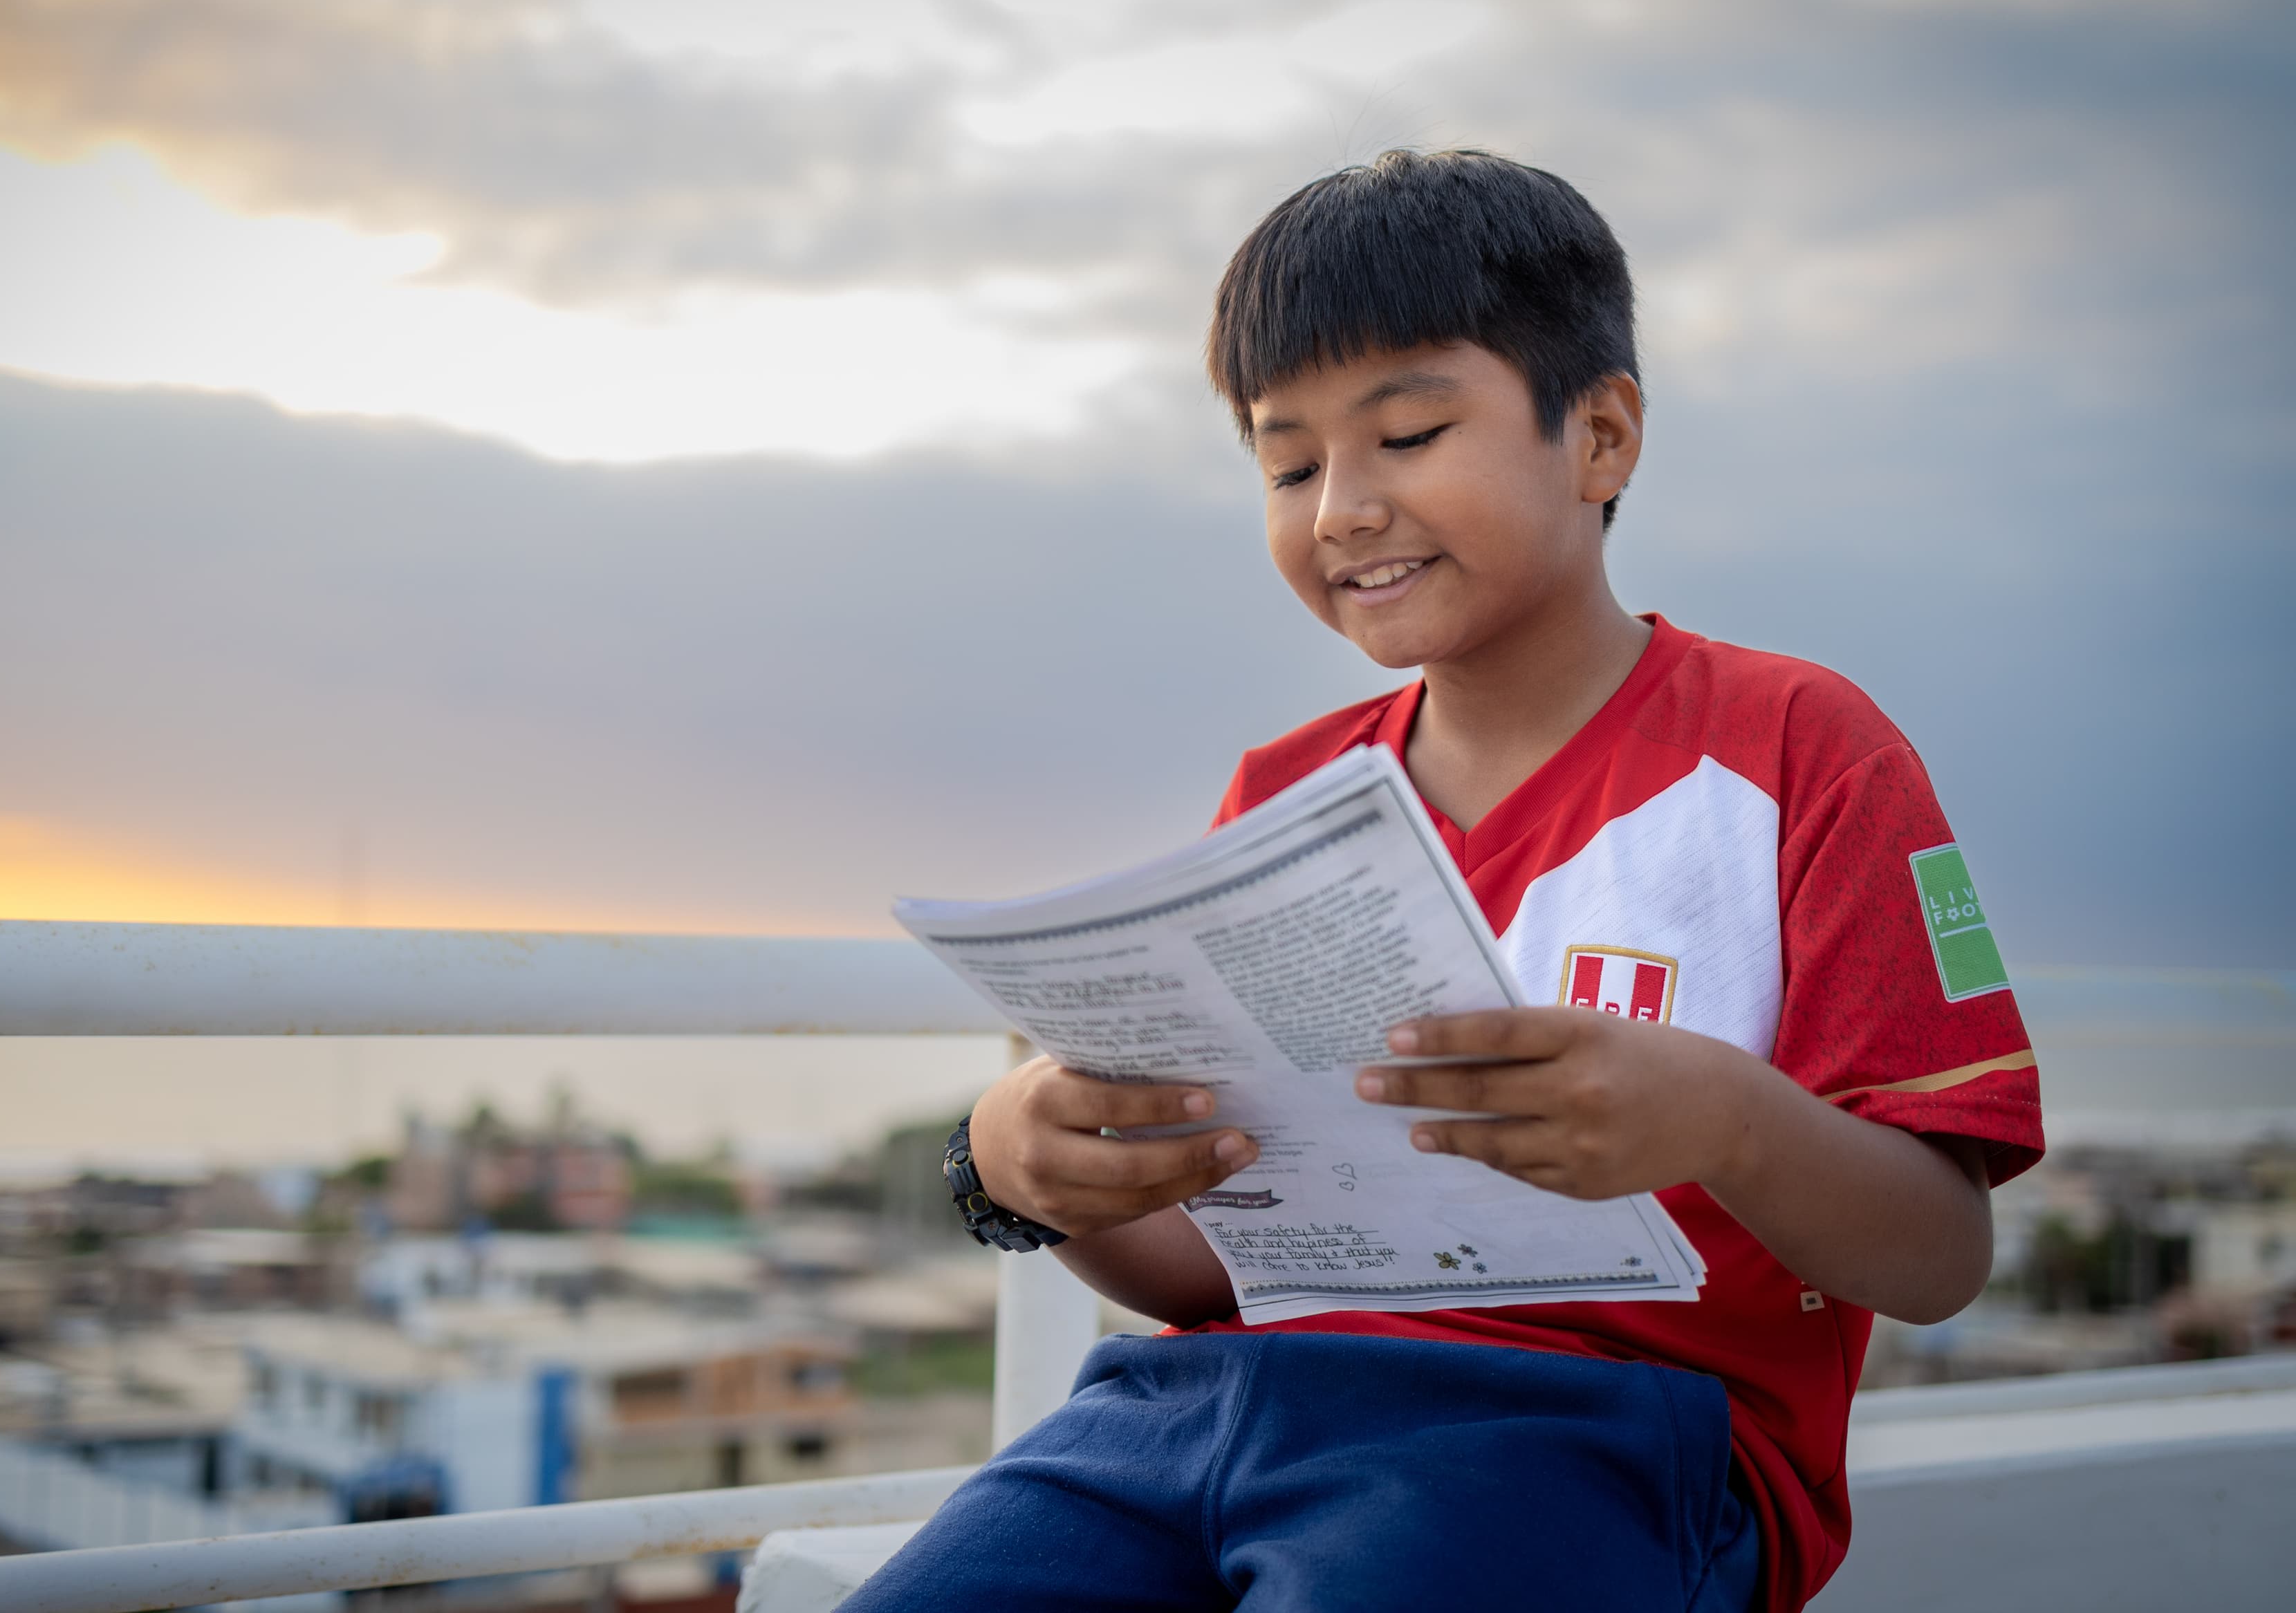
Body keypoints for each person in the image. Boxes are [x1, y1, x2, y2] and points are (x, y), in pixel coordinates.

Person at [844, 150, 2043, 1612]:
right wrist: (1031, 1169)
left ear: (1600, 436)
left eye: (1407, 430)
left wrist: (1722, 1117)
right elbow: (1217, 1271)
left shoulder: (1797, 749)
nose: (1341, 506)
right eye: (1287, 465)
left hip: (1592, 1439)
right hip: (1199, 1413)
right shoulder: (1285, 791)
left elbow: (1938, 1251)